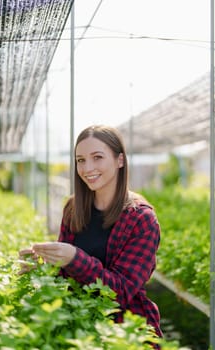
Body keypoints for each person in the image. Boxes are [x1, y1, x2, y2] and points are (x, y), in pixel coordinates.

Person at [19, 124, 162, 340]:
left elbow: (120, 292)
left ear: (120, 160)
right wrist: (42, 264)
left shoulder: (142, 219)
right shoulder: (73, 208)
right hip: (79, 324)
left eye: (97, 157)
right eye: (81, 160)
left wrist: (74, 258)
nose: (87, 168)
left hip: (126, 333)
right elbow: (66, 276)